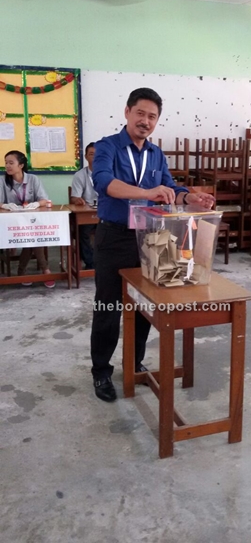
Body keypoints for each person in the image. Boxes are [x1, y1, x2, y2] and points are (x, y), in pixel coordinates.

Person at [91, 87, 214, 402]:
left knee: (145, 305)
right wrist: (147, 193)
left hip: (151, 236)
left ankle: (134, 364)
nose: (145, 121)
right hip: (115, 236)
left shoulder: (156, 154)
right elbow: (105, 183)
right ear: (127, 112)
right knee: (108, 305)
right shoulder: (108, 147)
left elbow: (170, 188)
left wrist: (190, 197)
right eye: (140, 113)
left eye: (152, 116)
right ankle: (101, 372)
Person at [0, 150, 55, 288]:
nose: (7, 166)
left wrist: (36, 203)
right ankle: (45, 270)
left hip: (31, 220)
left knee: (33, 234)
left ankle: (22, 271)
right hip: (11, 223)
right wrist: (6, 205)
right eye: (6, 163)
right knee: (34, 235)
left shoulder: (33, 179)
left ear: (21, 165)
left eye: (11, 163)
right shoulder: (2, 181)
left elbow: (44, 200)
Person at [70, 142, 98, 270]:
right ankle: (91, 263)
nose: (95, 157)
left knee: (114, 230)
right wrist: (77, 200)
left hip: (106, 212)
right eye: (91, 154)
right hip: (88, 213)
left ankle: (106, 261)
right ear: (86, 157)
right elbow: (74, 197)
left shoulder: (111, 173)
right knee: (82, 232)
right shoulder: (80, 175)